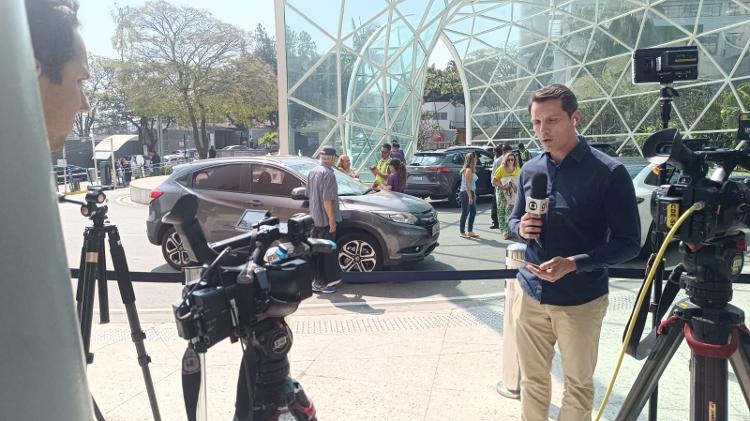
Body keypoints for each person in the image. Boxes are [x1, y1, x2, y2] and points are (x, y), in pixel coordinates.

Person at [508, 84, 640, 420]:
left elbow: (628, 243)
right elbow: (511, 222)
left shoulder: (609, 173)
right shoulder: (530, 170)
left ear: (575, 118)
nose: (542, 131)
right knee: (532, 380)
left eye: (551, 121)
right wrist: (520, 229)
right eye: (537, 123)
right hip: (530, 293)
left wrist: (575, 263)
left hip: (581, 300)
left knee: (578, 384)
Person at [307, 145, 342, 294]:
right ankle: (322, 283)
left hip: (314, 219)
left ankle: (315, 281)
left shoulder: (312, 171)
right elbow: (327, 200)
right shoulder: (329, 174)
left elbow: (309, 194)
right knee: (325, 253)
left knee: (316, 252)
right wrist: (332, 220)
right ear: (333, 158)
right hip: (325, 221)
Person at [492, 152, 520, 240]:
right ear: (505, 160)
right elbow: (494, 181)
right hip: (501, 192)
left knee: (510, 211)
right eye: (508, 160)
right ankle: (504, 231)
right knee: (501, 211)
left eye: (512, 159)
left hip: (513, 193)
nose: (510, 161)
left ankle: (508, 230)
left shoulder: (517, 169)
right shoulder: (501, 169)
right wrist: (503, 186)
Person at [458, 152, 479, 239]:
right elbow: (467, 185)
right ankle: (462, 232)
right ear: (472, 159)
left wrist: (473, 194)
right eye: (475, 158)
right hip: (466, 193)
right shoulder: (468, 170)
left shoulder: (471, 169)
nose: (476, 160)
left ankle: (470, 231)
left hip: (471, 192)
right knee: (465, 212)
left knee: (473, 212)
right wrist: (470, 196)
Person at [488, 144, 504, 229]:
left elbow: (493, 173)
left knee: (496, 203)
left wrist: (493, 183)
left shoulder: (497, 160)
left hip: (498, 184)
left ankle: (496, 222)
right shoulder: (503, 159)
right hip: (505, 183)